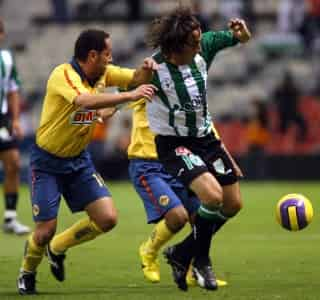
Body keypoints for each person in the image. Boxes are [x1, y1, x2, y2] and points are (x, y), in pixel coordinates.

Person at [17, 29, 157, 295]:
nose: (111, 58)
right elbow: (84, 100)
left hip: (79, 161)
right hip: (47, 162)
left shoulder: (104, 73)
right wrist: (128, 96)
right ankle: (27, 272)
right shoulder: (63, 75)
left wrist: (146, 68)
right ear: (92, 55)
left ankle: (57, 248)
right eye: (107, 53)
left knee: (107, 218)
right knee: (44, 230)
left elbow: (136, 79)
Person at [145, 7, 250, 290]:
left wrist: (242, 33)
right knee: (213, 197)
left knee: (233, 204)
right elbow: (122, 86)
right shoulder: (153, 70)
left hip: (205, 139)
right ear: (176, 47)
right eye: (193, 42)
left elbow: (240, 38)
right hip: (174, 144)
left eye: (199, 38)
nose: (199, 44)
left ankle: (181, 253)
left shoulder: (203, 48)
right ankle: (200, 261)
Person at [127, 98, 228, 288]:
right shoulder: (149, 83)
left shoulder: (186, 91)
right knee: (177, 216)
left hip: (178, 161)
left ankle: (194, 270)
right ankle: (149, 250)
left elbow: (205, 125)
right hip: (148, 164)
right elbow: (122, 89)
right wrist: (103, 110)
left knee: (202, 218)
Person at [0, 19, 30, 235]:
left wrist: (16, 120)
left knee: (14, 164)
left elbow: (12, 90)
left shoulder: (6, 59)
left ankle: (10, 218)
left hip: (2, 119)